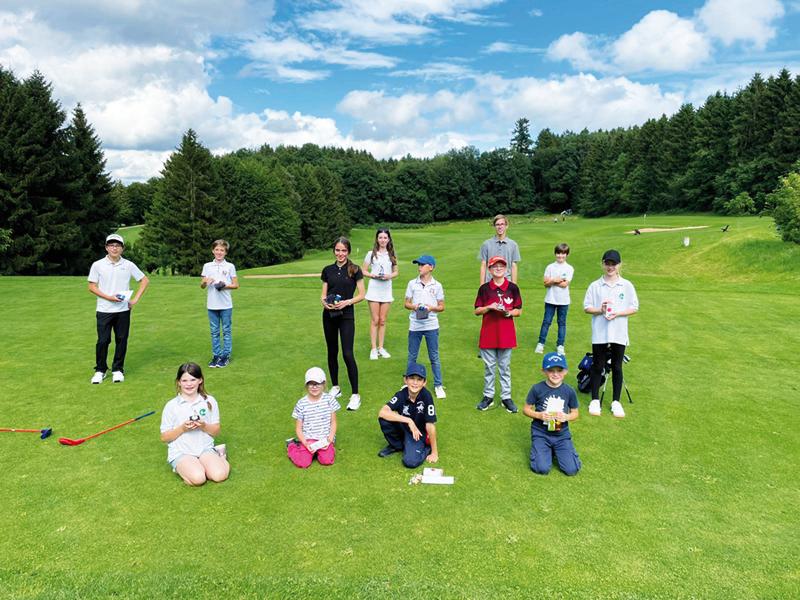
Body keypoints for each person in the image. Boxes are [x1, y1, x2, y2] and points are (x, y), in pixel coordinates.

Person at [583, 249, 639, 418]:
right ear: (603, 264)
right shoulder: (595, 285)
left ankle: (616, 401)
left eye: (613, 264)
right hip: (600, 331)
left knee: (616, 366)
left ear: (619, 265)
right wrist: (600, 310)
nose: (610, 267)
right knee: (598, 365)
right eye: (607, 263)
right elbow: (587, 307)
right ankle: (594, 399)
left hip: (619, 332)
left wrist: (618, 313)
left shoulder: (626, 285)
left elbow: (634, 307)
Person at [87, 233, 149, 384]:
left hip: (122, 310)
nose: (114, 248)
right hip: (104, 310)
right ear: (106, 247)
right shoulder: (98, 265)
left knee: (121, 340)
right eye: (111, 245)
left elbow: (144, 280)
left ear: (122, 248)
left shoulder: (128, 265)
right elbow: (91, 286)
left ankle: (118, 369)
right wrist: (109, 297)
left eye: (118, 246)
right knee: (103, 340)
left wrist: (134, 300)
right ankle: (100, 370)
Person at [159, 362, 230, 486]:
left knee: (220, 475)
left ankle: (221, 456)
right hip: (181, 452)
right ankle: (184, 467)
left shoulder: (209, 401)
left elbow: (216, 430)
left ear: (200, 380)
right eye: (184, 380)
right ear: (179, 382)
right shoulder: (171, 406)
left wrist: (203, 426)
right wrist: (182, 428)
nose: (189, 384)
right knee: (198, 478)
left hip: (205, 449)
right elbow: (164, 437)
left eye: (193, 379)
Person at [321, 237, 366, 411]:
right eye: (338, 250)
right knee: (332, 351)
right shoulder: (327, 270)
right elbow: (323, 294)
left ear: (348, 251)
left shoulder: (354, 270)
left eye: (344, 251)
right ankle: (336, 387)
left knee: (347, 353)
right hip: (329, 315)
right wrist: (325, 302)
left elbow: (362, 294)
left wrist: (346, 302)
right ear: (334, 251)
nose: (340, 254)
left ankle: (355, 394)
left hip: (346, 315)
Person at [474, 256, 522, 413]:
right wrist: (489, 307)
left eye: (501, 266)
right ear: (490, 270)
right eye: (495, 266)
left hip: (506, 333)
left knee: (505, 367)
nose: (498, 268)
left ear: (506, 269)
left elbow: (518, 310)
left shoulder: (513, 288)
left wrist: (508, 312)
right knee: (489, 367)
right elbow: (477, 310)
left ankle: (506, 397)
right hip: (488, 333)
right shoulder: (484, 289)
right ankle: (488, 396)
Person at [522, 352, 581, 476]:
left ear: (565, 372)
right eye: (551, 370)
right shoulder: (537, 388)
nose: (555, 374)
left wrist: (566, 417)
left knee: (571, 470)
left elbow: (575, 413)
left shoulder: (569, 391)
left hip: (561, 434)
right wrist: (539, 415)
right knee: (541, 468)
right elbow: (526, 409)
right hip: (541, 433)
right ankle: (544, 449)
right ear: (544, 371)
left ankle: (556, 450)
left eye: (559, 370)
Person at [377, 363, 439, 468]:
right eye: (412, 378)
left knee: (410, 462)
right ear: (405, 380)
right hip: (405, 428)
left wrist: (434, 452)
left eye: (419, 379)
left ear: (424, 382)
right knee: (384, 419)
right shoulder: (401, 394)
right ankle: (397, 446)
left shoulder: (426, 396)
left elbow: (430, 424)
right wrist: (409, 421)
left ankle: (425, 448)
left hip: (418, 435)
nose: (415, 383)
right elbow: (382, 412)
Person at [404, 255, 446, 399]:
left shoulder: (437, 285)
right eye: (419, 265)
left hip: (431, 325)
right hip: (415, 325)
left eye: (422, 264)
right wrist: (414, 306)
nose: (419, 267)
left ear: (431, 267)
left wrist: (430, 308)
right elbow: (406, 303)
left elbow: (442, 307)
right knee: (412, 355)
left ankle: (438, 385)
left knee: (434, 356)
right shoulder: (412, 283)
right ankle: (408, 383)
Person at [287, 367, 340, 468]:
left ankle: (326, 450)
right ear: (306, 385)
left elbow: (333, 422)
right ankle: (292, 446)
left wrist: (329, 439)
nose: (314, 387)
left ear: (323, 384)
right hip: (308, 439)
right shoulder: (301, 403)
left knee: (327, 460)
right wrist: (306, 443)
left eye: (317, 383)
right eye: (311, 384)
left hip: (325, 439)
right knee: (303, 463)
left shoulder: (329, 400)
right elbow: (298, 428)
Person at [200, 239, 239, 368]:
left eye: (222, 250)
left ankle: (225, 356)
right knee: (214, 331)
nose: (219, 252)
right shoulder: (207, 266)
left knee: (226, 331)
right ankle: (216, 356)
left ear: (225, 252)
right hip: (211, 304)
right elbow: (202, 285)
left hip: (226, 304)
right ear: (213, 251)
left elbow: (236, 285)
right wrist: (205, 281)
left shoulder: (230, 266)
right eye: (217, 249)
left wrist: (224, 286)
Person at [362, 228, 398, 360]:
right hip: (374, 289)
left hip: (386, 289)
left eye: (385, 237)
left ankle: (381, 348)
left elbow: (396, 272)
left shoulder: (392, 254)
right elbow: (363, 270)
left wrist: (389, 276)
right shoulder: (371, 254)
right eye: (380, 237)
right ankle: (373, 349)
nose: (383, 240)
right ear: (377, 239)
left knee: (382, 320)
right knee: (375, 320)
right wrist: (373, 275)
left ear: (388, 239)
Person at [535, 243, 574, 355]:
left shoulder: (569, 268)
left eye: (563, 254)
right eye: (558, 253)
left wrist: (552, 281)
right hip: (550, 299)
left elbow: (564, 284)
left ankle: (560, 345)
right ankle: (540, 343)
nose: (560, 256)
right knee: (546, 322)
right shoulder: (550, 267)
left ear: (567, 254)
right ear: (555, 254)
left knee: (561, 323)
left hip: (563, 301)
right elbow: (545, 284)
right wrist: (555, 280)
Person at [478, 214, 521, 284]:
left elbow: (514, 266)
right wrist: (481, 285)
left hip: (507, 283)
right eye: (497, 225)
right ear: (494, 226)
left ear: (506, 226)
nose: (500, 227)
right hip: (490, 283)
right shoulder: (486, 244)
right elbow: (483, 265)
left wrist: (514, 286)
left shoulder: (513, 245)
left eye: (502, 224)